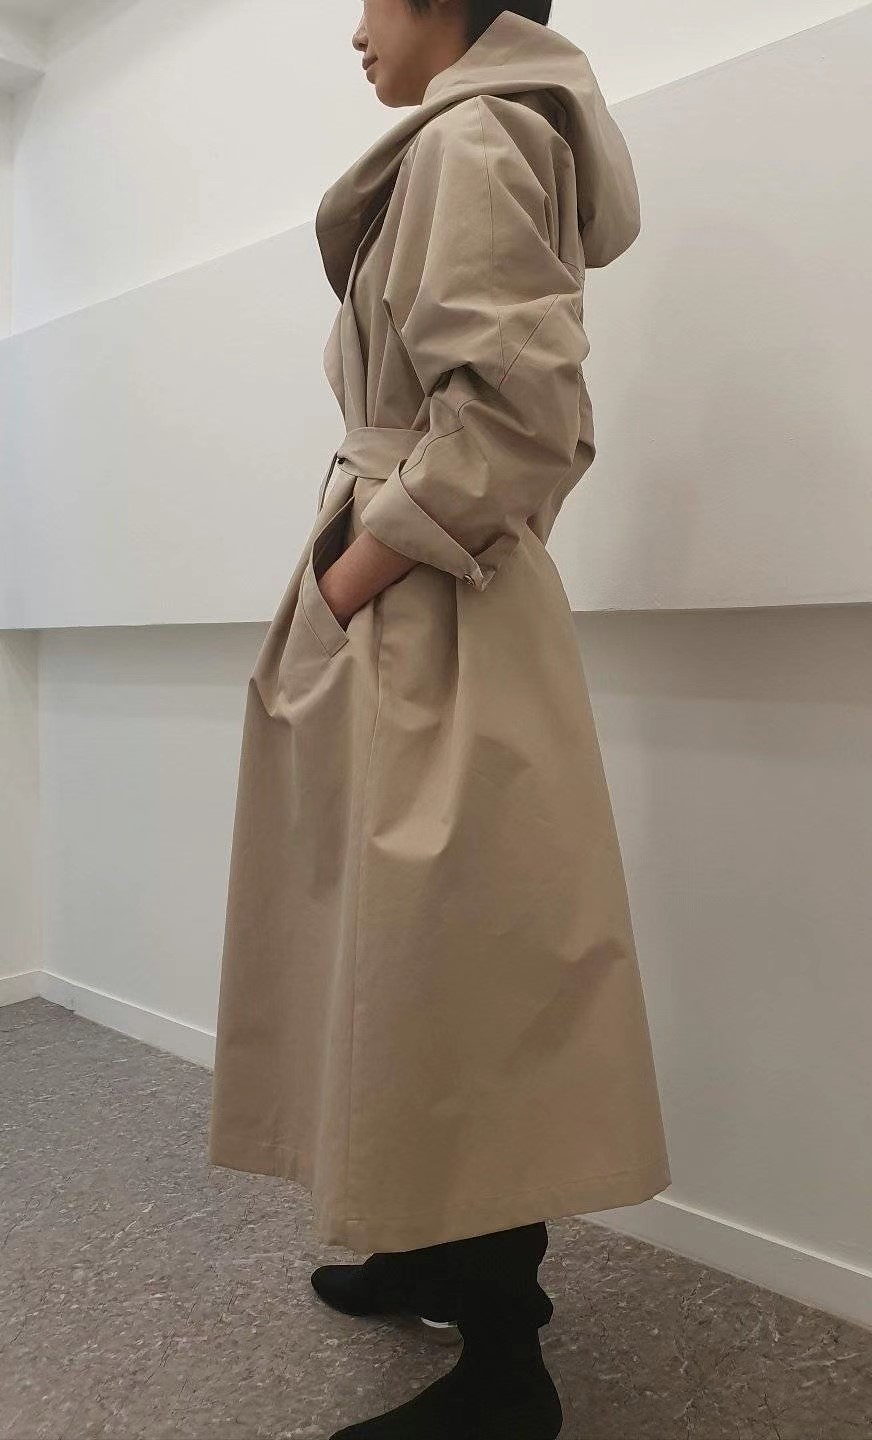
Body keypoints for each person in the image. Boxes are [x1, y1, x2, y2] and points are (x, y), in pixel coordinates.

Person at [208, 2, 672, 1435]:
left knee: (461, 961)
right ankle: (423, 1245)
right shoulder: (465, 141)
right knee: (404, 953)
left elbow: (523, 418)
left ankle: (506, 1364)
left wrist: (355, 570)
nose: (354, 29)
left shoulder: (473, 140)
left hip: (431, 599)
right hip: (427, 592)